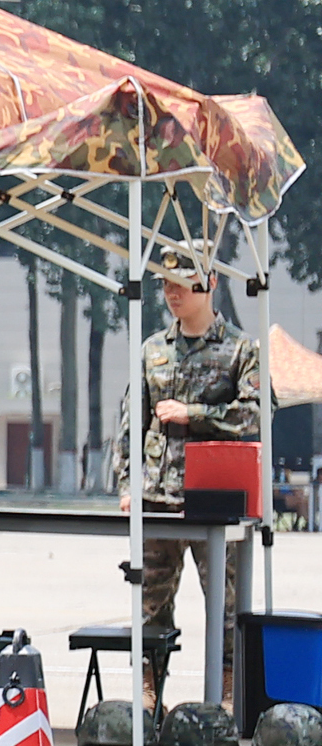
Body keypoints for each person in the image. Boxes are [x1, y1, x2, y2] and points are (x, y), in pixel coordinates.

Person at [116, 250, 264, 711]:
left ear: (211, 283)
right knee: (151, 601)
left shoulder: (241, 349)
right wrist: (126, 484)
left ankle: (226, 692)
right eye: (165, 283)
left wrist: (194, 414)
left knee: (225, 602)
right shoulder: (153, 349)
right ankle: (149, 692)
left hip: (215, 499)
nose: (172, 292)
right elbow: (131, 423)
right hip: (157, 496)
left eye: (182, 282)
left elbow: (256, 414)